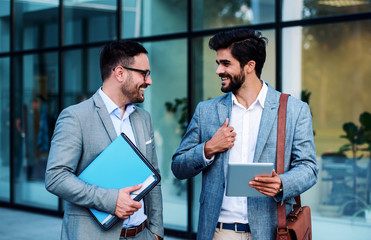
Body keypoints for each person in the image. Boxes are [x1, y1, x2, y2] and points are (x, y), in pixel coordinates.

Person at [171, 28, 318, 240]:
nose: (218, 70)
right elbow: (178, 166)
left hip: (272, 232)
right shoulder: (207, 111)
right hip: (219, 232)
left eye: (226, 63)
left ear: (250, 66)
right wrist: (209, 148)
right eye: (218, 63)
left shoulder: (294, 110)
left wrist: (282, 183)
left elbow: (309, 167)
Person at [45, 40, 163, 240]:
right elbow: (56, 177)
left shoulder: (144, 118)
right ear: (119, 73)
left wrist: (156, 232)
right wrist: (111, 200)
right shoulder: (75, 117)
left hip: (143, 235)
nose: (149, 81)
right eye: (144, 73)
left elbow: (154, 177)